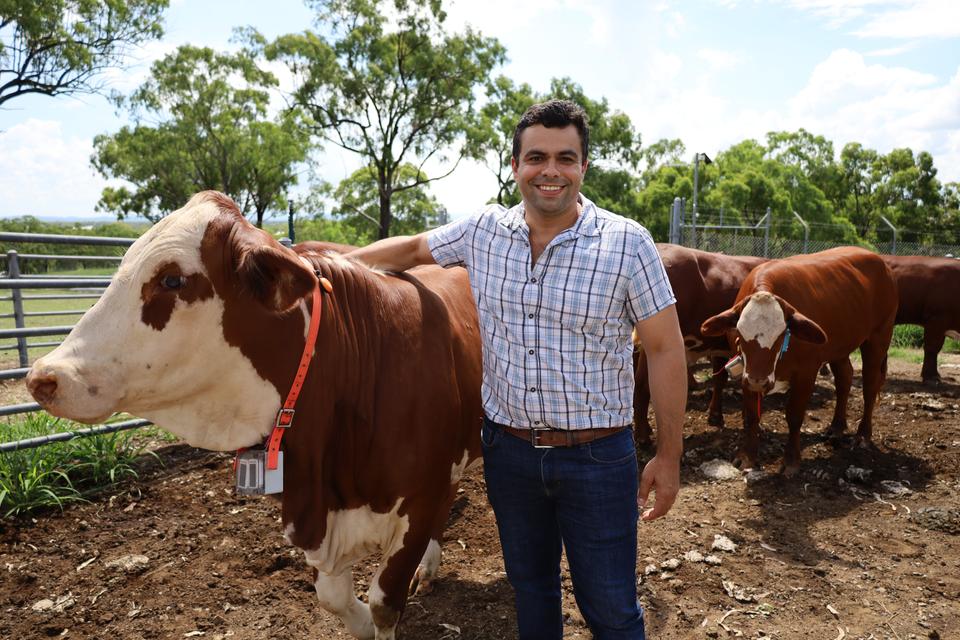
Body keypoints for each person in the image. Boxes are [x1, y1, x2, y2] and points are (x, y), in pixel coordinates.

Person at [347, 99, 686, 639]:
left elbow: (666, 349)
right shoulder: (484, 231)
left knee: (612, 610)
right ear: (515, 166)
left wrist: (669, 456)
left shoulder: (627, 243)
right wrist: (327, 269)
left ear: (583, 167)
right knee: (531, 594)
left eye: (565, 158)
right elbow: (410, 248)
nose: (550, 171)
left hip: (597, 458)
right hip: (510, 455)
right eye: (536, 157)